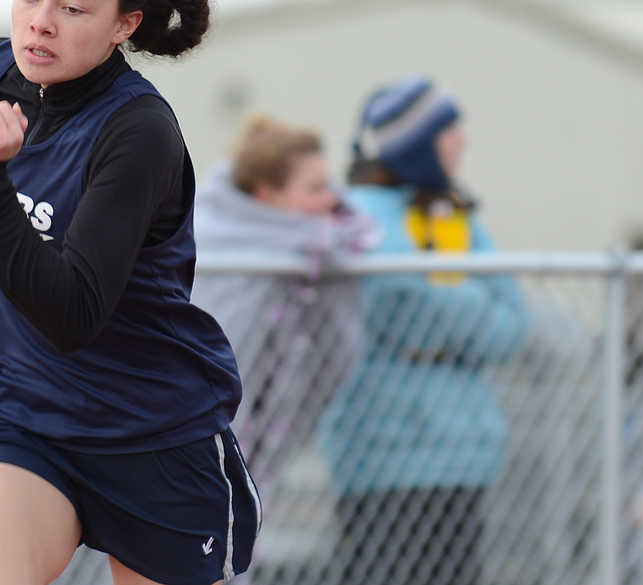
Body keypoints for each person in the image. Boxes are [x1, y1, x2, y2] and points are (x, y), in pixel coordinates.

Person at [0, 0, 259, 585]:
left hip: (149, 431)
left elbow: (72, 313)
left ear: (123, 24)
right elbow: (5, 189)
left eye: (73, 8)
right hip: (25, 418)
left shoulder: (138, 133)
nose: (40, 21)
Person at [317, 77, 526, 585]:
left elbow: (513, 325)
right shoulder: (359, 212)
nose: (463, 141)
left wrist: (431, 297)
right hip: (383, 454)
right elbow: (392, 295)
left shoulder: (456, 215)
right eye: (449, 130)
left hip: (465, 455)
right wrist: (464, 298)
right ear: (417, 147)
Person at [191, 113, 376, 582]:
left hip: (251, 463)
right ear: (267, 196)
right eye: (314, 188)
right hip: (186, 457)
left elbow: (338, 357)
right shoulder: (214, 247)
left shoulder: (314, 258)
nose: (331, 201)